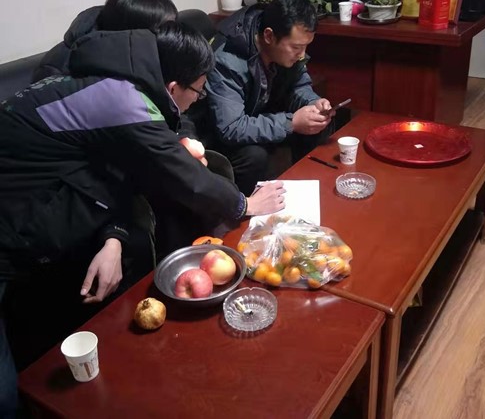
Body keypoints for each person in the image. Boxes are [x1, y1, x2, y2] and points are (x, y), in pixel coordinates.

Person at [0, 22, 285, 417]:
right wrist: (245, 205)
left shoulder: (113, 79)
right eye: (198, 92)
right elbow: (186, 178)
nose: (196, 102)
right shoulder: (123, 101)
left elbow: (114, 173)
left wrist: (113, 237)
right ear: (173, 86)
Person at [187, 0, 336, 196]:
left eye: (305, 47)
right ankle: (244, 209)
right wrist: (291, 123)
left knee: (317, 124)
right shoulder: (227, 60)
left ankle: (306, 191)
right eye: (296, 47)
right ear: (269, 36)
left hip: (257, 111)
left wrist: (314, 103)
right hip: (218, 132)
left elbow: (299, 84)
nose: (302, 54)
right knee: (254, 155)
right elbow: (230, 127)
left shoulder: (283, 50)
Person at [32, 0, 178, 82]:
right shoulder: (62, 72)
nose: (170, 37)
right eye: (162, 31)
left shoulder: (132, 53)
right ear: (132, 33)